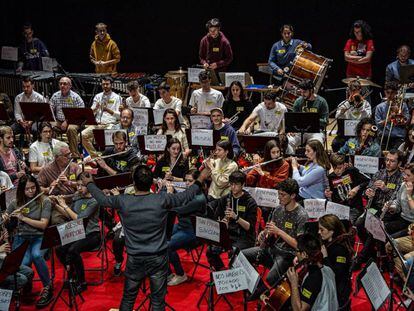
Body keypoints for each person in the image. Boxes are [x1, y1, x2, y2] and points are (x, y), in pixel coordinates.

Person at [81, 163, 211, 310]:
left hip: (135, 258)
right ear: (151, 183)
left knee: (128, 299)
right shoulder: (161, 200)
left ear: (134, 183)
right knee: (157, 301)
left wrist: (90, 183)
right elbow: (187, 195)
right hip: (158, 258)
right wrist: (201, 178)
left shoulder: (123, 200)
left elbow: (102, 199)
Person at [243, 178, 308, 300]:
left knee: (271, 278)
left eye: (283, 195)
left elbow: (298, 245)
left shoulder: (302, 215)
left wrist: (279, 232)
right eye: (279, 194)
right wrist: (264, 233)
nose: (279, 198)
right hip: (272, 249)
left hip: (287, 255)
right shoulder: (278, 209)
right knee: (241, 256)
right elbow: (270, 229)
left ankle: (273, 294)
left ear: (293, 195)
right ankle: (259, 287)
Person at [4, 175, 53, 308]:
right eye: (27, 189)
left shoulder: (45, 201)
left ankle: (48, 287)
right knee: (23, 264)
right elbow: (6, 217)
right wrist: (6, 217)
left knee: (36, 255)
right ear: (21, 190)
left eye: (33, 188)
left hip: (39, 237)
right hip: (21, 237)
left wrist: (22, 217)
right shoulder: (16, 202)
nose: (31, 191)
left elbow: (43, 225)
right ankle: (25, 285)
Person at [54, 173, 100, 293]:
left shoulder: (94, 201)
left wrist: (65, 205)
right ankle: (72, 274)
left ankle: (82, 281)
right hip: (77, 231)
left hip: (91, 234)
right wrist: (56, 204)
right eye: (78, 185)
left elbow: (79, 219)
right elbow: (68, 214)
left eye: (82, 186)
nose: (79, 188)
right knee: (59, 249)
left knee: (73, 250)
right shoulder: (77, 196)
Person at [206, 171, 257, 271]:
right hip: (228, 234)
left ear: (243, 185)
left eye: (236, 184)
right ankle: (221, 271)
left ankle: (235, 274)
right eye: (231, 184)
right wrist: (222, 223)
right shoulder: (225, 199)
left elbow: (249, 227)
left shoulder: (250, 202)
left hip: (244, 236)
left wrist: (236, 217)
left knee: (233, 253)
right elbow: (217, 218)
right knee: (210, 250)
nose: (233, 187)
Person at [166, 169, 207, 286]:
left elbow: (176, 209)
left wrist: (170, 193)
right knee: (159, 237)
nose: (187, 184)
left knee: (168, 246)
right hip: (182, 226)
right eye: (186, 181)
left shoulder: (198, 199)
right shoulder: (189, 193)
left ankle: (181, 275)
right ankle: (168, 273)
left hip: (193, 231)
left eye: (190, 181)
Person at [286, 233, 338, 310]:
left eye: (297, 251)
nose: (296, 254)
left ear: (304, 254)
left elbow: (299, 309)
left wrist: (294, 283)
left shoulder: (313, 277)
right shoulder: (328, 268)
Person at [318, 214, 353, 309]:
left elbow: (336, 274)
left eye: (322, 230)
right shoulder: (328, 241)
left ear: (332, 231)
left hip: (337, 291)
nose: (319, 232)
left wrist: (325, 257)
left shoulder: (340, 250)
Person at [82, 76, 122, 158]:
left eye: (107, 84)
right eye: (103, 84)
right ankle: (95, 157)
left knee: (110, 140)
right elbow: (91, 113)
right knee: (82, 135)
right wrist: (95, 109)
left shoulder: (117, 97)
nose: (105, 86)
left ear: (111, 85)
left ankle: (109, 158)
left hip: (111, 124)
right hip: (98, 123)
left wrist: (107, 110)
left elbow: (119, 116)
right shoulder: (98, 96)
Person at [325, 154, 370, 223]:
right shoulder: (331, 177)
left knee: (347, 223)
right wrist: (329, 194)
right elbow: (333, 195)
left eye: (340, 168)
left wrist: (357, 188)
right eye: (335, 168)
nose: (338, 171)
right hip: (340, 208)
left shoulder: (352, 171)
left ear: (344, 165)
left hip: (354, 207)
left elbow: (368, 180)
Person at [332, 80, 372, 152]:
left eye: (355, 91)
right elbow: (337, 117)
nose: (353, 93)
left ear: (359, 90)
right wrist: (342, 111)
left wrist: (360, 106)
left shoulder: (366, 104)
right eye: (351, 91)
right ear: (349, 91)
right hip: (345, 135)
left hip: (360, 135)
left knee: (363, 146)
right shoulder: (344, 104)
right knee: (335, 144)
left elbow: (368, 118)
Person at [50, 76, 85, 158]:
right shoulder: (55, 96)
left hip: (74, 121)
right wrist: (52, 120)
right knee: (47, 125)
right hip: (59, 121)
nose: (62, 86)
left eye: (65, 84)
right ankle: (53, 153)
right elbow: (50, 109)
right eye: (60, 84)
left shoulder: (75, 97)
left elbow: (81, 112)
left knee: (71, 129)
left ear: (70, 86)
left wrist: (67, 121)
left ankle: (74, 154)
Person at [290, 79, 329, 150]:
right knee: (288, 141)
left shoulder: (321, 101)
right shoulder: (298, 101)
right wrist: (292, 129)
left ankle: (316, 161)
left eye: (304, 92)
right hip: (301, 130)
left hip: (316, 130)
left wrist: (312, 118)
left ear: (311, 90)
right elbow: (293, 119)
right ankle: (292, 159)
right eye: (301, 92)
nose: (302, 94)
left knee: (317, 143)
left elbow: (326, 121)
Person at [12, 77, 46, 147]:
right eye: (24, 87)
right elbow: (17, 112)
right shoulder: (18, 97)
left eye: (28, 86)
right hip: (22, 122)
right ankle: (15, 150)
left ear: (33, 86)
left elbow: (42, 113)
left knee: (35, 129)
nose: (25, 89)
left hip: (34, 122)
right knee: (11, 129)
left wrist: (31, 121)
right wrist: (21, 122)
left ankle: (37, 148)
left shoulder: (39, 98)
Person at [375, 81, 409, 150]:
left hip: (398, 137)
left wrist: (399, 114)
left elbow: (406, 122)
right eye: (388, 92)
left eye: (392, 92)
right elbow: (378, 125)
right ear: (385, 92)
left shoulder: (403, 105)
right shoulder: (379, 107)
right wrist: (389, 118)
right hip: (384, 136)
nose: (390, 95)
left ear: (396, 93)